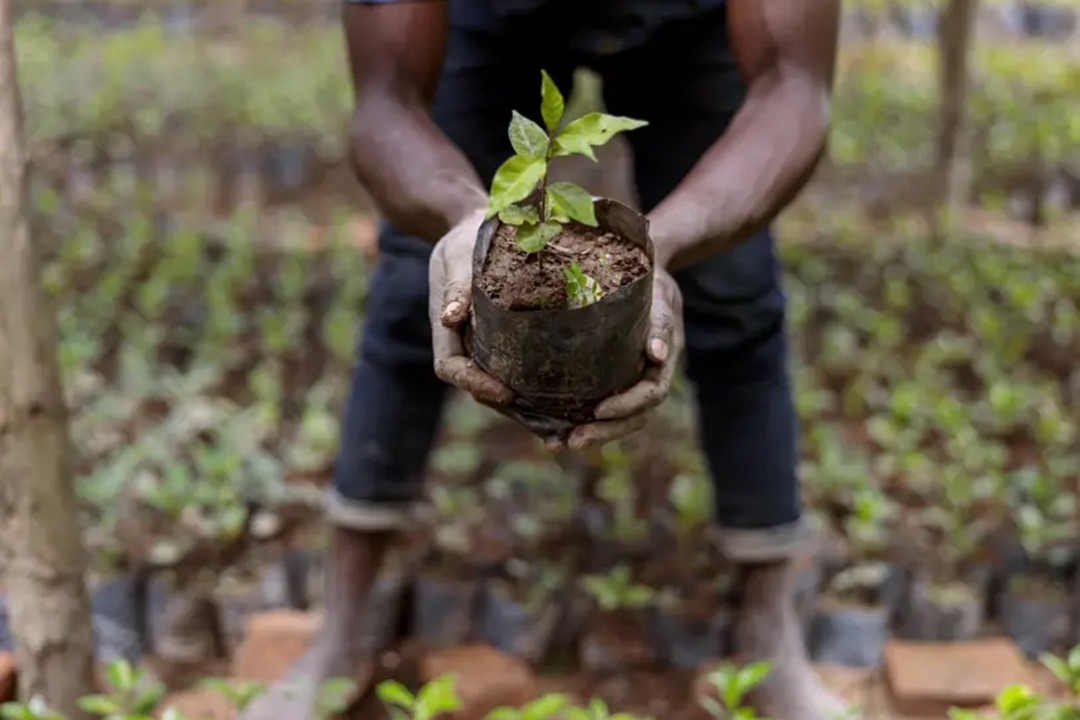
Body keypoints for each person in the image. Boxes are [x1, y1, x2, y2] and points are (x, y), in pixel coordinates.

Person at [240, 1, 843, 719]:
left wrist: (665, 247)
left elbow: (795, 91)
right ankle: (342, 629)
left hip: (692, 27)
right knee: (417, 285)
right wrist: (464, 218)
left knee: (736, 288)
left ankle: (770, 633)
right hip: (484, 19)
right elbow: (384, 100)